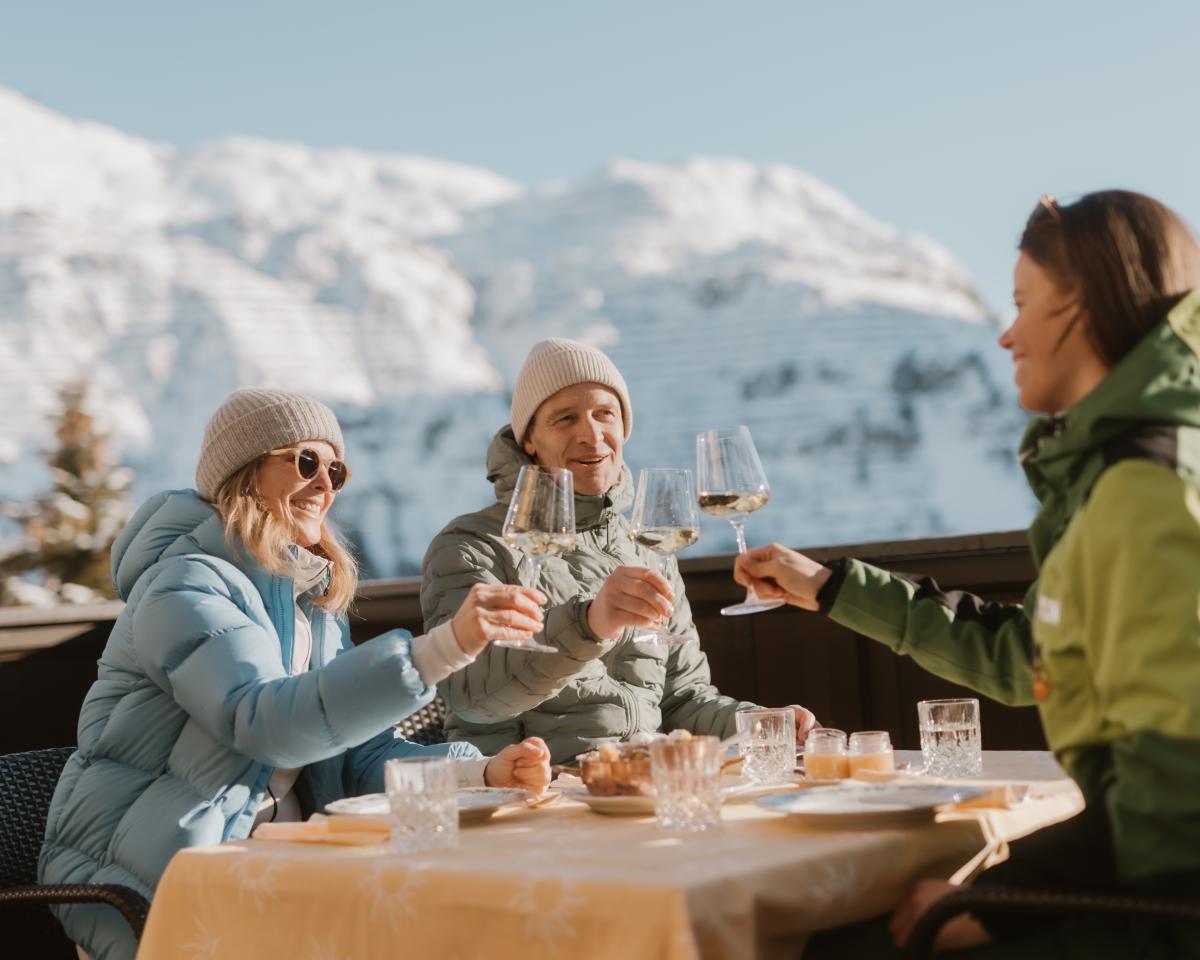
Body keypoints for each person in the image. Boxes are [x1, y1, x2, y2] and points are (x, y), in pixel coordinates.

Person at [734, 191, 1200, 958]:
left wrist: (1001, 902)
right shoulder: (1121, 475)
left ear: (1082, 304)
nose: (1005, 333)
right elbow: (1027, 660)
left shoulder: (1146, 490)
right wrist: (831, 589)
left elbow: (1176, 798)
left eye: (1022, 302)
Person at [38, 388, 552, 960]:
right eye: (306, 461)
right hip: (159, 879)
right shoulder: (182, 584)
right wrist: (443, 647)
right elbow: (265, 723)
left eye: (337, 470)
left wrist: (482, 773)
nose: (325, 484)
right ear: (243, 470)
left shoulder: (309, 602)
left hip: (276, 863)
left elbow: (357, 760)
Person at [421, 338, 818, 764]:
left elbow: (682, 699)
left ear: (624, 427)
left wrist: (759, 724)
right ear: (529, 440)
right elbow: (471, 696)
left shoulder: (645, 547)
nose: (591, 435)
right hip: (529, 793)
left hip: (634, 785)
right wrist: (589, 623)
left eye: (604, 414)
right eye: (565, 418)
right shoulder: (472, 546)